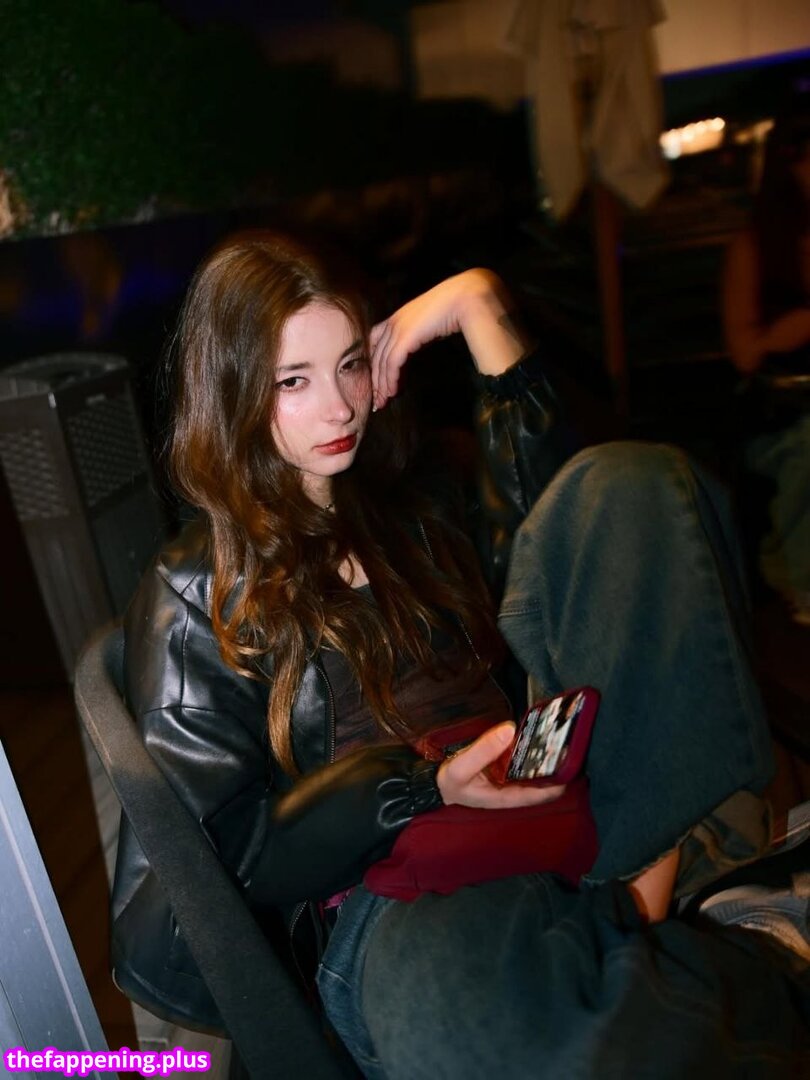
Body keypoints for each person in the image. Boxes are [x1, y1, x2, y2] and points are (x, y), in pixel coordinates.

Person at [112, 231, 810, 1077]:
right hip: (399, 893)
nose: (340, 409)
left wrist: (477, 303)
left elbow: (575, 532)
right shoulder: (196, 588)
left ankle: (658, 919)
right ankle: (734, 950)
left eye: (349, 366)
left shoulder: (413, 502)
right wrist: (425, 787)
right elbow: (225, 855)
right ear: (230, 393)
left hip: (557, 798)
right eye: (293, 381)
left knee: (633, 483)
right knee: (534, 1039)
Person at [723, 109, 810, 625]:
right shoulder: (756, 247)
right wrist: (795, 327)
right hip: (780, 410)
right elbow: (745, 353)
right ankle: (799, 579)